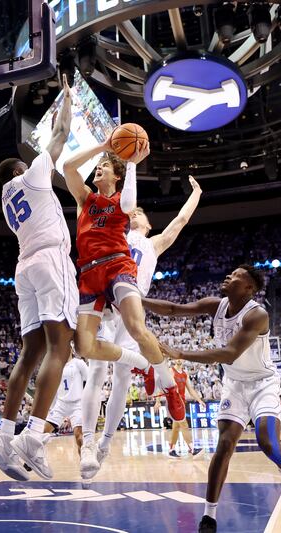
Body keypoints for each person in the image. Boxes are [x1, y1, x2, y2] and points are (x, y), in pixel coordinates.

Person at [145, 265, 281, 533]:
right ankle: (208, 519)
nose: (228, 276)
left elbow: (229, 354)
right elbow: (173, 309)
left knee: (269, 445)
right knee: (224, 444)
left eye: (236, 276)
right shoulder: (215, 305)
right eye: (230, 273)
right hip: (234, 385)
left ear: (249, 288)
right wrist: (134, 300)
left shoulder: (257, 314)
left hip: (263, 384)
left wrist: (179, 353)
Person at [0, 74, 81, 481]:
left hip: (23, 269)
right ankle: (34, 436)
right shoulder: (32, 175)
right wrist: (68, 99)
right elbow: (59, 135)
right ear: (21, 168)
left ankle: (3, 435)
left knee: (31, 353)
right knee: (63, 348)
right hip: (49, 261)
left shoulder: (7, 201)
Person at [62, 128, 185, 429]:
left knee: (135, 326)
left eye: (103, 166)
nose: (98, 168)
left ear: (114, 176)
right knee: (85, 347)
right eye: (99, 165)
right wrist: (103, 146)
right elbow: (67, 167)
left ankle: (169, 385)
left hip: (118, 266)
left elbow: (129, 205)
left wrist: (130, 162)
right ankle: (142, 363)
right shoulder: (85, 199)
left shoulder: (120, 203)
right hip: (89, 273)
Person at [79, 178, 202, 478]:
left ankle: (106, 441)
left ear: (148, 224)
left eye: (140, 214)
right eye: (133, 212)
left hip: (131, 307)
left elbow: (182, 219)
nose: (135, 215)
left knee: (121, 376)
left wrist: (197, 193)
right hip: (104, 299)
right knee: (96, 371)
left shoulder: (153, 243)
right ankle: (89, 444)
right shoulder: (117, 228)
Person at [43, 351, 88, 453]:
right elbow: (52, 388)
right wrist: (52, 408)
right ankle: (34, 457)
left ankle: (84, 463)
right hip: (60, 404)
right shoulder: (55, 365)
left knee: (79, 437)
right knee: (43, 432)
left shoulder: (78, 363)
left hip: (77, 404)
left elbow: (90, 380)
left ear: (71, 349)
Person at [164, 360, 204, 458]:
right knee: (184, 425)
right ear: (173, 360)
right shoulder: (170, 371)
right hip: (174, 402)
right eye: (176, 358)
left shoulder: (185, 373)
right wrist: (157, 401)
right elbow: (163, 384)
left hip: (181, 402)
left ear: (183, 360)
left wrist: (199, 400)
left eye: (180, 358)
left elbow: (190, 389)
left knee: (176, 427)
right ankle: (192, 449)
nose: (178, 360)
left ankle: (171, 450)